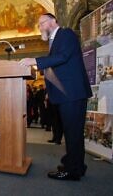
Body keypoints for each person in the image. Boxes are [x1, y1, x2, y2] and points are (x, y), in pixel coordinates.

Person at [20, 13, 92, 181]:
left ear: (52, 21)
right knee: (72, 132)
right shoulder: (55, 41)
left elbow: (62, 57)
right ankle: (76, 165)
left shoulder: (65, 34)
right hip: (67, 94)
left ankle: (71, 170)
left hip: (71, 93)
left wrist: (34, 60)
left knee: (72, 133)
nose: (40, 27)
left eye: (41, 23)